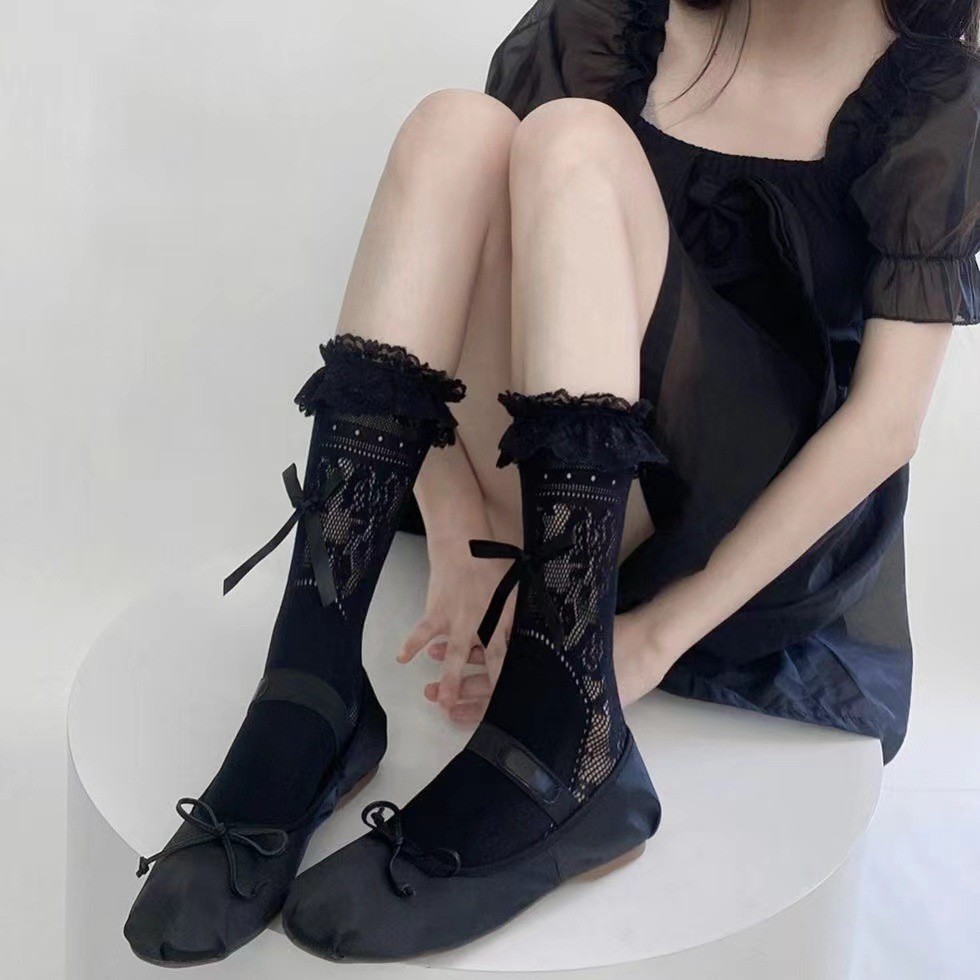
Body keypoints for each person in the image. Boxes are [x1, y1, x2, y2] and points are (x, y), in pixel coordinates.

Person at [124, 0, 979, 966]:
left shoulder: (929, 96)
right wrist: (456, 520)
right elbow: (451, 270)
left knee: (576, 141)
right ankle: (311, 687)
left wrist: (656, 637)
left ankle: (569, 735)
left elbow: (886, 425)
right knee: (456, 130)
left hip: (725, 525)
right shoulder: (612, 25)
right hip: (547, 494)